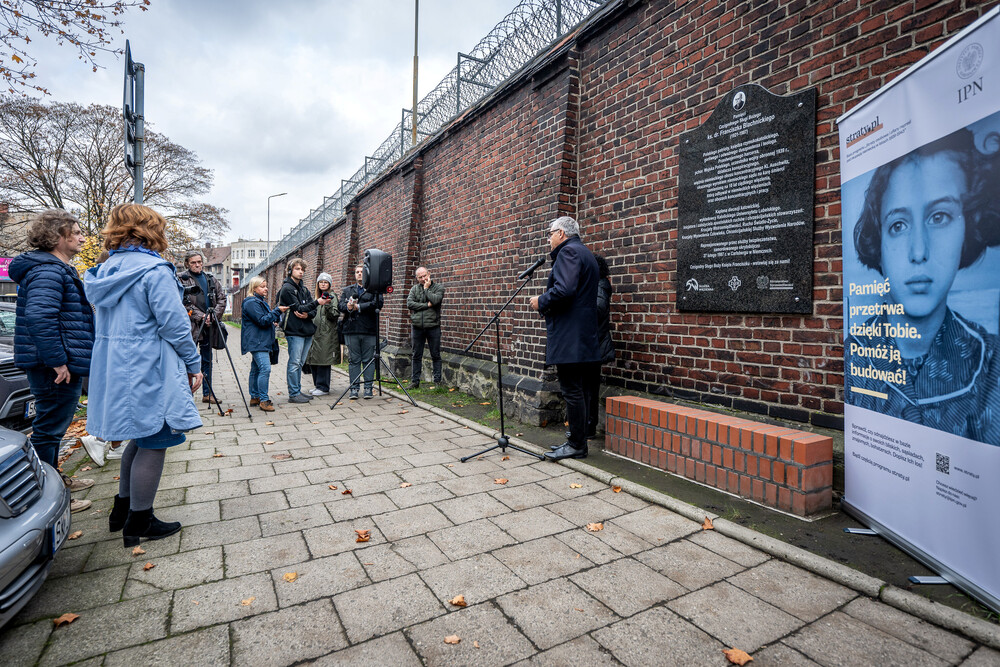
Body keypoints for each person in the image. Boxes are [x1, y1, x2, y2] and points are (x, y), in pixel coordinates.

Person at [848, 128, 1000, 445]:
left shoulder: (992, 365)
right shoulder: (853, 356)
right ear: (879, 241)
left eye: (939, 217)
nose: (919, 252)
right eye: (898, 225)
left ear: (967, 228)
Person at [84, 203, 203, 546]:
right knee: (156, 439)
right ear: (150, 231)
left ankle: (122, 511)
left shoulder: (106, 270)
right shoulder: (154, 271)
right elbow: (175, 325)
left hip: (116, 366)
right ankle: (140, 521)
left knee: (138, 436)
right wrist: (193, 363)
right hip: (150, 366)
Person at [9, 210, 95, 513]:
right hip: (54, 367)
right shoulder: (48, 271)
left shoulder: (55, 268)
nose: (82, 237)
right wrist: (58, 361)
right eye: (77, 232)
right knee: (49, 429)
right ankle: (47, 498)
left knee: (53, 426)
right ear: (58, 235)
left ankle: (55, 480)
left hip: (57, 363)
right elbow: (40, 317)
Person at [530, 216, 601, 461]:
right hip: (583, 335)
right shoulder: (586, 253)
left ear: (561, 233)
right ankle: (577, 441)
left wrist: (541, 300)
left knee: (571, 390)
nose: (548, 239)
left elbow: (564, 290)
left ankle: (576, 445)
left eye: (550, 233)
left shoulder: (568, 252)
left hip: (570, 336)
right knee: (579, 391)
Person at [277, 258, 330, 403]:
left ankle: (298, 390)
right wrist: (317, 303)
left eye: (302, 269)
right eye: (297, 269)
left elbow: (312, 311)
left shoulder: (304, 289)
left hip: (307, 330)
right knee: (294, 363)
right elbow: (299, 308)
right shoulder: (287, 289)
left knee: (300, 363)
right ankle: (293, 393)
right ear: (290, 270)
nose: (301, 272)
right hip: (294, 331)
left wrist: (308, 314)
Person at [178, 250, 225, 404]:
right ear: (187, 263)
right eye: (193, 262)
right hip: (190, 326)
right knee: (187, 360)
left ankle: (207, 393)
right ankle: (186, 395)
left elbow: (221, 298)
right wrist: (201, 316)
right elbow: (182, 302)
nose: (197, 265)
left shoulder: (210, 278)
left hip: (209, 326)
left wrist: (213, 315)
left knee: (207, 360)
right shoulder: (181, 279)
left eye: (199, 262)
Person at [241, 276, 289, 412]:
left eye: (266, 286)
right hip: (258, 341)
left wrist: (273, 320)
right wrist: (277, 311)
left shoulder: (259, 301)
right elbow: (262, 320)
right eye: (262, 286)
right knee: (265, 369)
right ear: (254, 288)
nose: (266, 289)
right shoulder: (251, 302)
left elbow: (262, 320)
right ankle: (263, 400)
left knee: (256, 369)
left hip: (260, 340)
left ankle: (255, 397)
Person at [339, 264, 383, 399]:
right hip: (351, 329)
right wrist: (348, 307)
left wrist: (359, 307)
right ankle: (354, 389)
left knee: (368, 360)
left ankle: (368, 388)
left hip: (369, 330)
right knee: (354, 360)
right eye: (357, 272)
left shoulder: (374, 289)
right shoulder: (347, 290)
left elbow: (378, 303)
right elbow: (340, 305)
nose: (359, 274)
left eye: (362, 272)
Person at [584, 255, 615, 438]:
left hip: (594, 345)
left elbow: (598, 309)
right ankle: (584, 427)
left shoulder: (600, 285)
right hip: (589, 344)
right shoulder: (595, 285)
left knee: (589, 389)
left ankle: (589, 428)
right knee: (585, 387)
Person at [406, 266, 445, 388]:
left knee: (435, 354)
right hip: (417, 326)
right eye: (420, 277)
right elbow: (410, 304)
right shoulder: (414, 289)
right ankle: (415, 381)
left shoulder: (438, 288)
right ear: (417, 278)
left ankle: (437, 382)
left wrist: (426, 289)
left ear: (429, 274)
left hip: (433, 326)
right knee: (416, 355)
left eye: (425, 276)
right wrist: (426, 305)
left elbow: (436, 300)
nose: (423, 279)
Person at [305, 272, 340, 396]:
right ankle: (317, 385)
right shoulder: (316, 298)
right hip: (315, 333)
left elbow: (335, 314)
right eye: (321, 282)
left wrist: (328, 304)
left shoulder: (332, 296)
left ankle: (323, 387)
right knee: (314, 360)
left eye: (326, 282)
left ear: (329, 284)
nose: (323, 284)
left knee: (323, 360)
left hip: (326, 334)